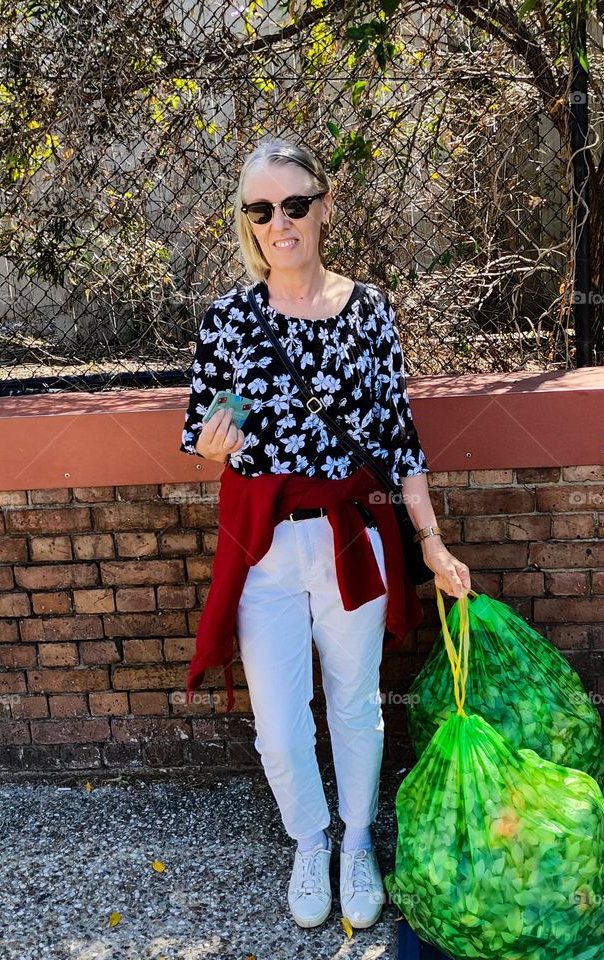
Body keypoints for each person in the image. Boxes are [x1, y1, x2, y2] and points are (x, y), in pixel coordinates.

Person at [178, 136, 471, 930]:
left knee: (354, 703)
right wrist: (217, 434)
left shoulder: (369, 309)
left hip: (353, 535)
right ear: (248, 221)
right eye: (262, 209)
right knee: (279, 716)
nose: (281, 222)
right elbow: (214, 415)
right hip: (266, 546)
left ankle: (356, 842)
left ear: (325, 205)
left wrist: (433, 542)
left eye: (296, 204)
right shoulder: (230, 320)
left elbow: (399, 440)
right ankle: (310, 839)